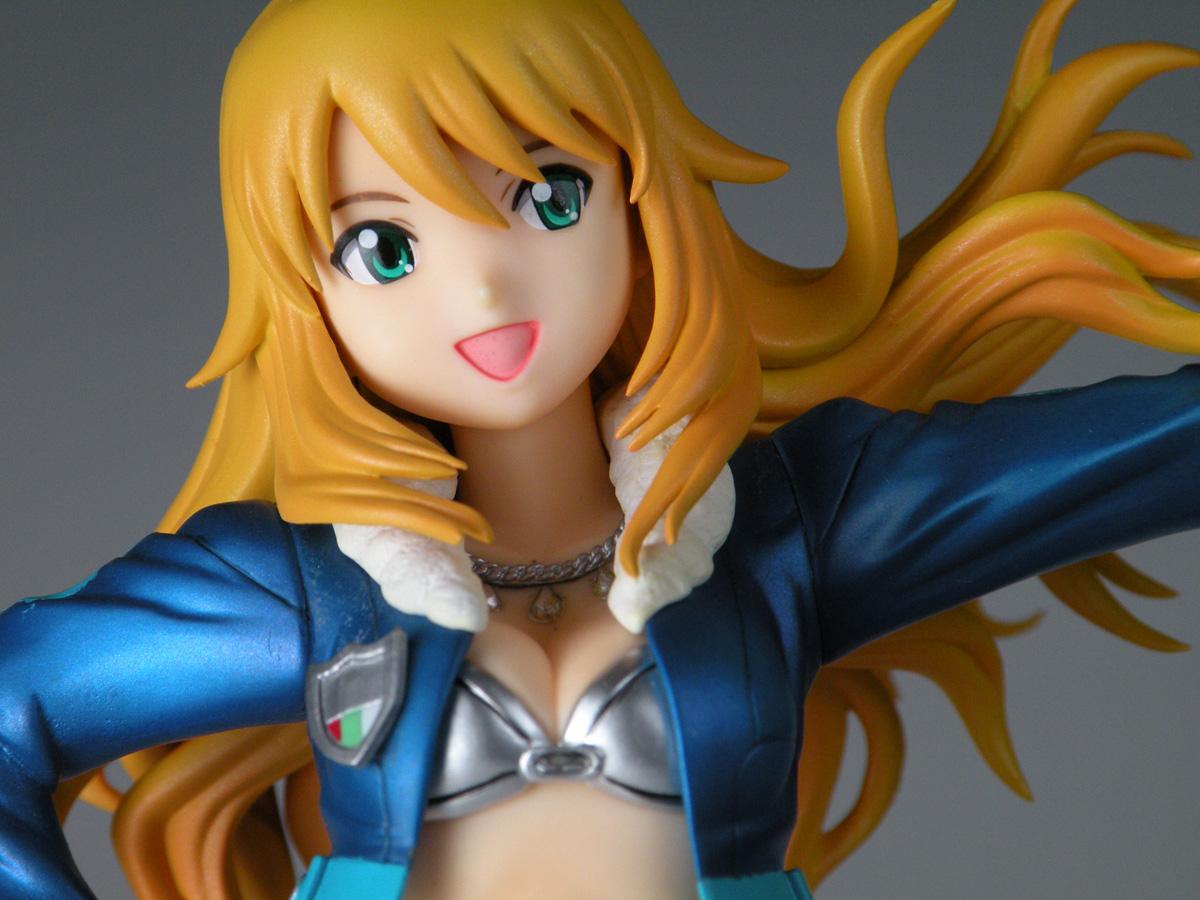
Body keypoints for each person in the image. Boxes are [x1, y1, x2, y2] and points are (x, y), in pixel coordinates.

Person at [2, 1, 1199, 899]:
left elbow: (1155, 451)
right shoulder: (308, 586)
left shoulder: (778, 532)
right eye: (384, 249)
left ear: (641, 202)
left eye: (548, 196)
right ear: (302, 295)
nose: (483, 287)